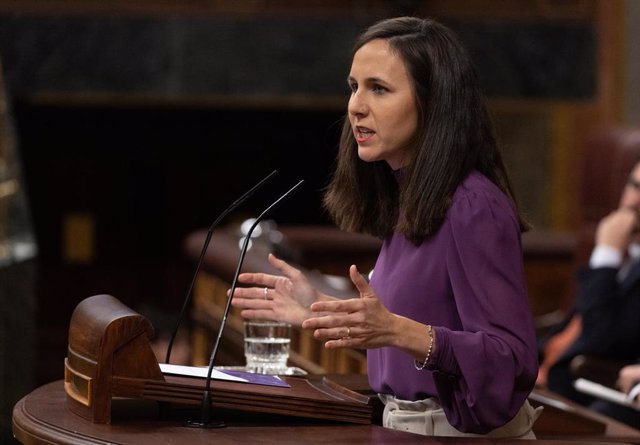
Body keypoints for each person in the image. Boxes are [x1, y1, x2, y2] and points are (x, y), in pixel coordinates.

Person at [231, 16, 540, 438]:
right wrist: (320, 310)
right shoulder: (410, 198)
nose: (356, 106)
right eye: (353, 87)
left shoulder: (473, 206)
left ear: (433, 102)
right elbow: (410, 335)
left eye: (378, 89)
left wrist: (395, 329)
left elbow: (509, 360)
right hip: (401, 427)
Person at [538, 161, 640, 428]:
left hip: (578, 387)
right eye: (633, 186)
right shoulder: (624, 254)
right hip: (541, 374)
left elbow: (598, 339)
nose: (633, 201)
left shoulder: (610, 252)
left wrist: (606, 255)